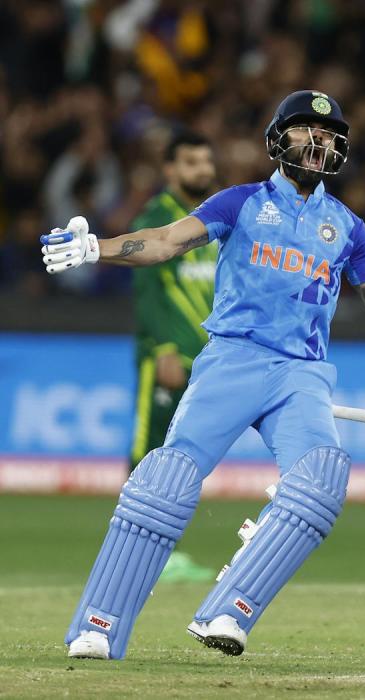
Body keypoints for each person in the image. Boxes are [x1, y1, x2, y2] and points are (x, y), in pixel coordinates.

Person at [41, 90, 365, 660]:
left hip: (302, 374)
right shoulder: (241, 203)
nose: (319, 141)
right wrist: (96, 247)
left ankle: (229, 609)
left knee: (321, 481)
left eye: (329, 136)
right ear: (278, 140)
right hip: (233, 360)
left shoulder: (347, 227)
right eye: (306, 130)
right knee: (166, 481)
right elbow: (167, 241)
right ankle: (98, 625)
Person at [129, 131, 218, 583]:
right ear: (170, 170)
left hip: (205, 361)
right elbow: (146, 293)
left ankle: (162, 550)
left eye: (206, 161)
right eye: (190, 162)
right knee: (150, 453)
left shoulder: (211, 221)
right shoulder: (158, 218)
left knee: (181, 457)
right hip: (166, 358)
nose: (202, 170)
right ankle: (137, 549)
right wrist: (163, 348)